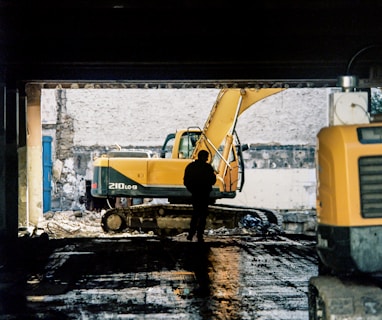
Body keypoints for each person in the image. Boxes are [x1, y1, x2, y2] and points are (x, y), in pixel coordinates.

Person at [183, 150, 216, 242]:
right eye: (206, 156)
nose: (207, 158)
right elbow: (213, 181)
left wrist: (193, 190)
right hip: (204, 194)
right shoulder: (208, 167)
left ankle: (191, 234)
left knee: (195, 214)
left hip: (195, 194)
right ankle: (199, 234)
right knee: (202, 216)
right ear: (204, 157)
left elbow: (186, 181)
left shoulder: (191, 167)